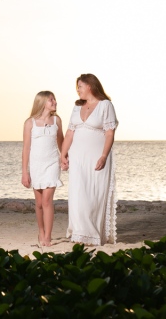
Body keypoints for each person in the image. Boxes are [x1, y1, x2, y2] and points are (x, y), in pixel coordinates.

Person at [60, 74, 118, 245]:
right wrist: (63, 154)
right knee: (77, 194)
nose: (78, 90)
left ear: (90, 86)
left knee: (94, 194)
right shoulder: (77, 107)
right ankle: (79, 233)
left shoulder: (105, 105)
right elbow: (70, 133)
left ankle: (92, 234)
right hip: (77, 157)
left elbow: (109, 133)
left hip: (96, 157)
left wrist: (104, 156)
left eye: (80, 86)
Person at [21, 91, 64, 247]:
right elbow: (26, 149)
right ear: (42, 102)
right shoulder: (29, 123)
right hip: (36, 166)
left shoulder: (56, 120)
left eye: (54, 99)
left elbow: (61, 141)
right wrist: (24, 172)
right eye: (51, 100)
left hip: (52, 163)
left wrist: (65, 157)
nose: (55, 102)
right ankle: (41, 230)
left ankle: (47, 236)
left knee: (47, 200)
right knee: (39, 203)